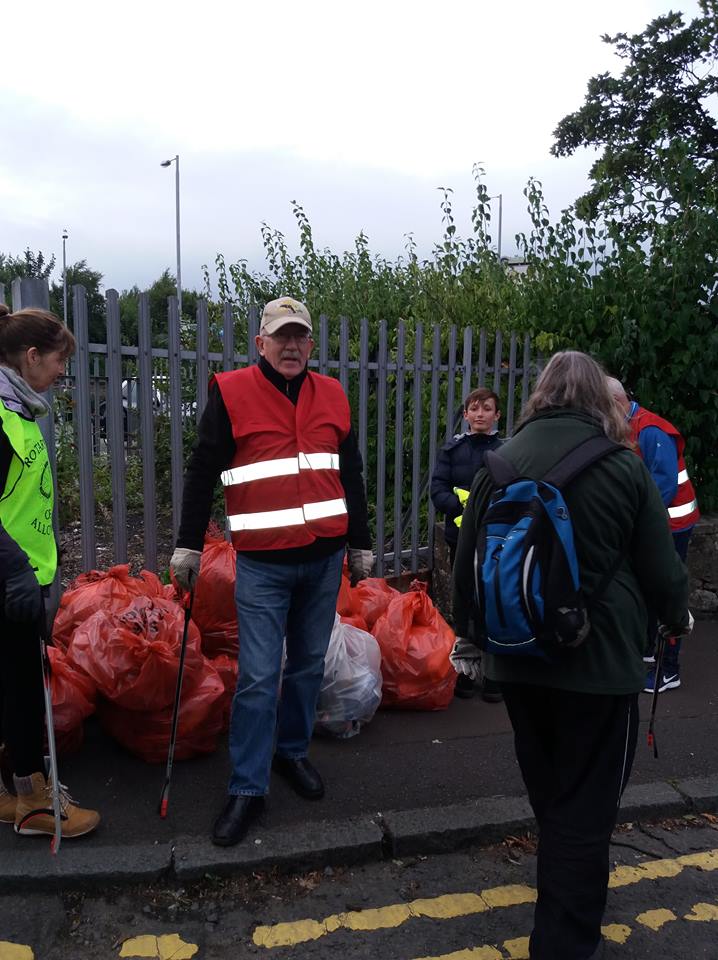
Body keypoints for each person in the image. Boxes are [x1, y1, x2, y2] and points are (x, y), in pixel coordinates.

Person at [451, 352, 690, 960]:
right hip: (600, 665)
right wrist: (674, 618)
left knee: (553, 793)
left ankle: (563, 887)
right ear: (596, 400)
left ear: (540, 395)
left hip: (518, 660)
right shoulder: (623, 467)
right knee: (586, 808)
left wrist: (477, 641)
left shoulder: (496, 465)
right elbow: (664, 573)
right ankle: (562, 942)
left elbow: (466, 572)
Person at [170, 296, 372, 847]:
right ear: (261, 343)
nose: (290, 345)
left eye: (299, 336)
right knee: (259, 677)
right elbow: (202, 470)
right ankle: (247, 787)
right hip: (262, 563)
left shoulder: (332, 394)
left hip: (325, 557)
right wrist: (188, 546)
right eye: (280, 336)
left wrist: (362, 543)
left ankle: (291, 754)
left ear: (310, 344)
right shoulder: (231, 391)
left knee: (307, 667)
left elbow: (349, 472)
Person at [0, 304, 100, 839]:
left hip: (20, 576)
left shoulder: (20, 411)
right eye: (59, 360)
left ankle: (8, 795)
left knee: (8, 684)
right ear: (32, 356)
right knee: (20, 689)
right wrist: (17, 571)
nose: (63, 371)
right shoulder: (3, 415)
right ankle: (36, 804)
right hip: (10, 582)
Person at [607, 377, 699, 693]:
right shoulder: (631, 426)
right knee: (648, 592)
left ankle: (668, 669)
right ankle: (649, 657)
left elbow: (662, 488)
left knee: (664, 591)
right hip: (655, 524)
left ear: (617, 402)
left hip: (672, 526)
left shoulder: (651, 430)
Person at [430, 387, 502, 701]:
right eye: (475, 409)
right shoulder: (451, 450)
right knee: (464, 607)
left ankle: (494, 675)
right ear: (466, 415)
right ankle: (466, 674)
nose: (480, 414)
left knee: (493, 604)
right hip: (460, 539)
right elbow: (438, 489)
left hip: (494, 542)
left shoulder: (505, 451)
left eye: (487, 409)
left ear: (497, 415)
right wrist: (463, 512)